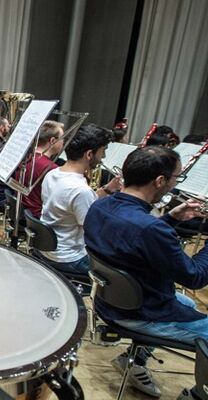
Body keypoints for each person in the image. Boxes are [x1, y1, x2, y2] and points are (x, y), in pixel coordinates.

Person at [85, 146, 208, 398]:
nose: (174, 185)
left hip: (109, 301)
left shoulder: (100, 205)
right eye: (176, 179)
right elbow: (195, 277)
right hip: (140, 312)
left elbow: (132, 241)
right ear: (160, 180)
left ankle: (134, 359)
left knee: (183, 301)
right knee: (187, 304)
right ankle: (197, 394)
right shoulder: (149, 228)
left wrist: (171, 219)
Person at [36, 124, 121, 274]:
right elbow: (94, 230)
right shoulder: (81, 190)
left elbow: (73, 204)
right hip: (69, 258)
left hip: (47, 247)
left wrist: (107, 189)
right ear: (89, 154)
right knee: (120, 268)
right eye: (103, 152)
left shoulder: (53, 173)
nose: (104, 157)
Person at [18, 121, 64, 218]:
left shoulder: (24, 157)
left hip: (22, 212)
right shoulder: (50, 168)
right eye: (62, 139)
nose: (63, 142)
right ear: (52, 141)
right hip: (37, 217)